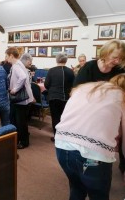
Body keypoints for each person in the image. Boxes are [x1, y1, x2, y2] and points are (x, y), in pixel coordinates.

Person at [55, 74, 125, 200]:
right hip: (93, 154)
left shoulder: (87, 88)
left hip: (62, 144)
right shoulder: (122, 96)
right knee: (98, 194)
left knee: (76, 187)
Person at [73, 39, 125, 179]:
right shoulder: (89, 67)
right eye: (114, 57)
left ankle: (121, 164)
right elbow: (75, 92)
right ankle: (90, 167)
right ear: (105, 53)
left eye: (120, 58)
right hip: (90, 113)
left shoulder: (120, 69)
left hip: (111, 112)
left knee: (117, 137)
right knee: (92, 142)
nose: (117, 61)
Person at [6, 47, 34, 149]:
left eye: (6, 56)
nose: (6, 58)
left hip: (21, 99)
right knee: (20, 120)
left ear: (11, 56)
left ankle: (24, 142)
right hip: (24, 99)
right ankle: (20, 139)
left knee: (20, 121)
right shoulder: (19, 64)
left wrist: (15, 89)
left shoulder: (17, 65)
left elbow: (23, 77)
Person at [44, 52, 75, 141]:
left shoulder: (51, 70)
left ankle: (57, 137)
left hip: (54, 97)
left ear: (57, 59)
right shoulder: (70, 71)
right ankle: (64, 137)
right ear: (66, 60)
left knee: (55, 118)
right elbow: (74, 85)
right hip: (66, 98)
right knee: (64, 118)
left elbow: (46, 85)